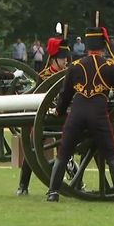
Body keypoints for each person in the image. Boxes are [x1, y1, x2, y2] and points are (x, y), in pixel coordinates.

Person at [46, 25, 114, 203]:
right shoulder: (110, 66)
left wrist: (59, 112)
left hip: (76, 114)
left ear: (86, 45)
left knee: (63, 152)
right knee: (110, 153)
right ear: (103, 45)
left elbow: (65, 95)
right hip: (98, 115)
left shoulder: (76, 66)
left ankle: (53, 192)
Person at [16, 34, 71, 195]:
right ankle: (23, 185)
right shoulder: (45, 76)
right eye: (63, 59)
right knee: (32, 149)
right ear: (54, 59)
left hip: (64, 118)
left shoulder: (70, 74)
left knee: (67, 151)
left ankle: (73, 184)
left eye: (66, 59)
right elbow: (37, 96)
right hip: (45, 118)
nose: (66, 62)